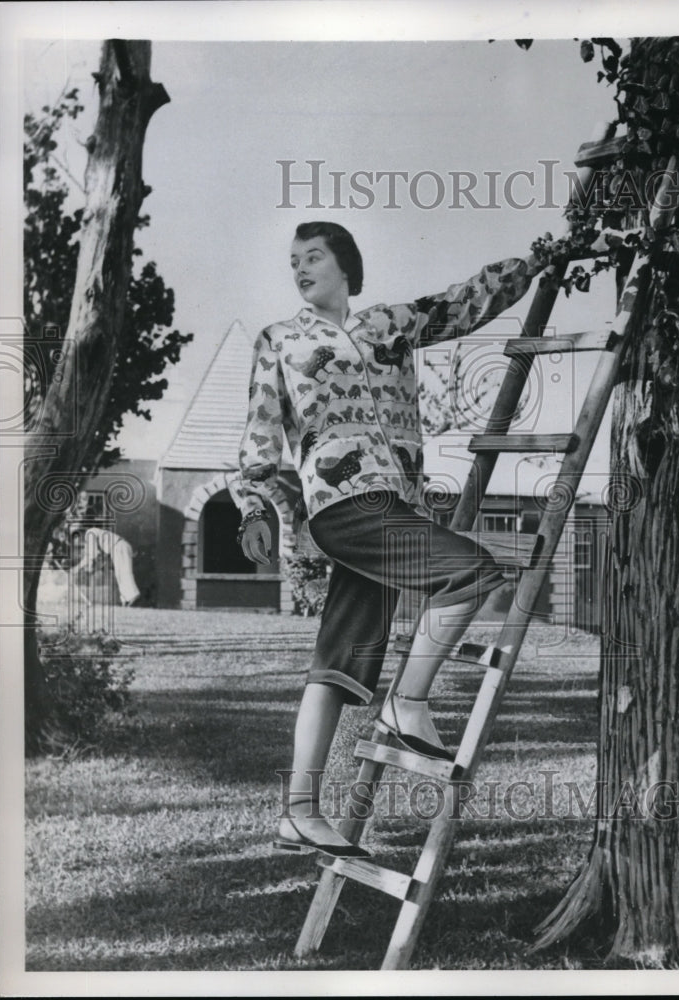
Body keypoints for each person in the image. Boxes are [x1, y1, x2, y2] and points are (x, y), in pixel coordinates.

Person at [228, 221, 563, 859]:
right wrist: (254, 508)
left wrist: (538, 262)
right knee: (470, 572)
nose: (300, 269)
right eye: (293, 260)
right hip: (343, 505)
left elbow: (462, 303)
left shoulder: (388, 324)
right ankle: (405, 704)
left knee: (340, 662)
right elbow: (260, 435)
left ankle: (298, 811)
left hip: (394, 504)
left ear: (346, 267)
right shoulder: (280, 340)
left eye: (314, 257)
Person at [77, 526, 141, 607]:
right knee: (119, 575)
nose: (77, 542)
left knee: (124, 572)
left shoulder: (89, 533)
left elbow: (93, 555)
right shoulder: (92, 535)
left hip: (119, 547)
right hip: (117, 548)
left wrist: (87, 567)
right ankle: (126, 599)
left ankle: (133, 595)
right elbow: (91, 556)